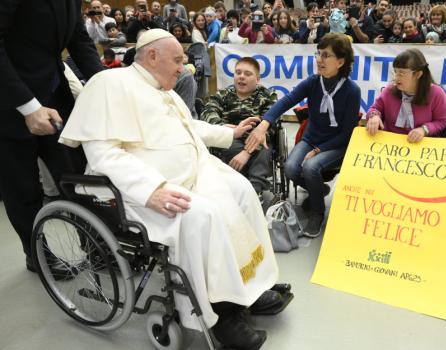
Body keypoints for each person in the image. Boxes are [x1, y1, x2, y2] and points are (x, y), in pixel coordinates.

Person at [59, 29, 282, 350]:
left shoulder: (165, 90)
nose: (184, 67)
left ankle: (250, 287)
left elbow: (188, 127)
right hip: (135, 189)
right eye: (177, 60)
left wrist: (228, 132)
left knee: (243, 191)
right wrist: (152, 190)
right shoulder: (109, 84)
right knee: (203, 214)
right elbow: (104, 155)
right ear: (152, 56)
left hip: (194, 171)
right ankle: (222, 314)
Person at [0, 0, 104, 272]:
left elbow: (79, 42)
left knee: (75, 175)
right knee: (22, 187)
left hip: (54, 92)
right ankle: (36, 253)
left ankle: (94, 246)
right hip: (10, 100)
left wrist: (109, 86)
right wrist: (28, 106)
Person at [245, 33, 361, 237]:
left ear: (340, 61)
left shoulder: (352, 90)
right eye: (318, 54)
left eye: (326, 55)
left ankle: (317, 213)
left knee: (310, 166)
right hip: (311, 138)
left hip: (336, 144)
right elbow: (286, 101)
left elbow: (347, 133)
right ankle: (317, 190)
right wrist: (264, 122)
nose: (319, 60)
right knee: (290, 168)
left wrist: (318, 151)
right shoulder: (313, 82)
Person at [201, 58, 277, 199]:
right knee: (228, 144)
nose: (241, 76)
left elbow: (272, 125)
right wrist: (223, 127)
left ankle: (254, 191)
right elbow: (208, 112)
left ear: (258, 78)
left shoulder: (268, 96)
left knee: (265, 148)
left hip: (259, 141)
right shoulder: (223, 95)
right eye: (238, 72)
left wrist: (246, 152)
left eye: (247, 74)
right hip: (231, 139)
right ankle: (243, 185)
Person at [365, 48, 446, 143]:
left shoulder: (436, 93)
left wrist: (424, 129)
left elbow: (442, 121)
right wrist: (374, 116)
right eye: (395, 72)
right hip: (389, 145)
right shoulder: (390, 90)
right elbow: (374, 109)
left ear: (418, 74)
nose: (396, 77)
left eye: (402, 73)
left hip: (422, 145)